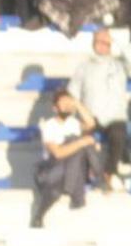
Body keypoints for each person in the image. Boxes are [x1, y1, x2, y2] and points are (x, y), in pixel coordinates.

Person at [30, 89, 102, 229]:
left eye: (68, 103)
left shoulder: (73, 123)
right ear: (55, 108)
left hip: (70, 171)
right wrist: (82, 142)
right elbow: (57, 153)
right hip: (51, 169)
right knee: (77, 142)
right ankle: (77, 194)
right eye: (63, 103)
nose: (67, 106)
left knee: (79, 145)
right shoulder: (49, 126)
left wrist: (77, 103)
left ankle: (72, 189)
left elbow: (91, 123)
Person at [69, 29, 131, 188]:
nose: (102, 45)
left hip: (115, 116)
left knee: (119, 133)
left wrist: (115, 40)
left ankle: (109, 172)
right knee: (80, 137)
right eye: (98, 41)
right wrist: (81, 115)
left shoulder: (120, 64)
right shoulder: (83, 67)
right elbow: (72, 93)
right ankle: (82, 177)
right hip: (91, 116)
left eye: (105, 42)